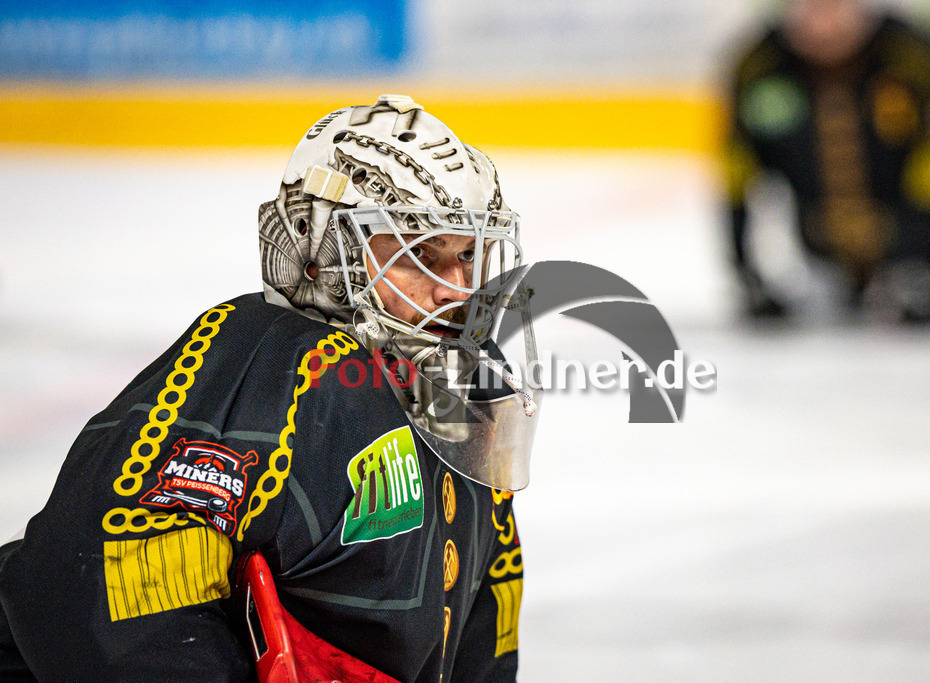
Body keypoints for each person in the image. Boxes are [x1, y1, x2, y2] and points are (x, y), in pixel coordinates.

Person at [0, 94, 540, 682]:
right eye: (421, 256)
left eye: (468, 255)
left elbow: (484, 600)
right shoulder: (280, 371)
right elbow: (92, 580)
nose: (457, 291)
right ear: (322, 252)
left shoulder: (471, 392)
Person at [725, 0, 930, 322]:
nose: (824, 19)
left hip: (905, 231)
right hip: (814, 244)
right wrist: (748, 273)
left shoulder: (910, 56)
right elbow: (735, 173)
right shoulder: (760, 66)